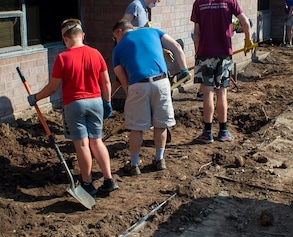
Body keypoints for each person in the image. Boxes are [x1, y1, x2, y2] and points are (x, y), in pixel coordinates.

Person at [27, 19, 119, 197]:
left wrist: (35, 97)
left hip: (74, 104)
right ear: (82, 36)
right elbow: (106, 81)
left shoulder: (62, 58)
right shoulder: (96, 53)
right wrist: (107, 102)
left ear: (64, 39)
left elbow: (53, 87)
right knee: (97, 141)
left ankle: (87, 183)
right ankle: (109, 180)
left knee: (83, 144)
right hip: (95, 102)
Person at [111, 19, 188, 175]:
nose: (115, 41)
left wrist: (133, 96)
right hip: (161, 82)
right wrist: (184, 68)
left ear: (119, 31)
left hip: (137, 84)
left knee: (136, 128)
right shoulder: (153, 31)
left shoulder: (117, 50)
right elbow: (177, 46)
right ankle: (159, 160)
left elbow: (123, 80)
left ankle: (134, 165)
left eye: (114, 37)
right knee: (160, 124)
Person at [191, 0, 253, 143]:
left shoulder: (199, 3)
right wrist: (248, 40)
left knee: (208, 93)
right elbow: (246, 23)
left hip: (205, 53)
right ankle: (224, 132)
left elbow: (196, 33)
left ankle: (207, 133)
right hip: (224, 53)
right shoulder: (229, 0)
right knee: (222, 93)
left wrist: (198, 54)